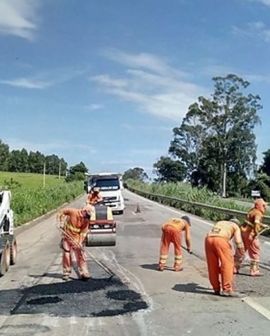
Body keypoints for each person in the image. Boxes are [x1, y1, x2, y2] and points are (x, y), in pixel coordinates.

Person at [205, 218, 245, 297]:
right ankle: (227, 289)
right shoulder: (235, 226)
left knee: (212, 265)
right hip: (221, 240)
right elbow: (238, 242)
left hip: (208, 239)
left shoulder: (220, 222)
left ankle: (216, 289)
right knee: (227, 264)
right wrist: (242, 252)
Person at [57, 204, 94, 281]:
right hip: (67, 236)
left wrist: (80, 242)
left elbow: (83, 232)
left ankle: (84, 272)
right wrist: (60, 222)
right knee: (67, 254)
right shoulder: (73, 212)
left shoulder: (86, 220)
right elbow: (61, 212)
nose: (87, 217)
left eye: (88, 216)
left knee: (81, 254)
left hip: (76, 238)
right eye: (87, 215)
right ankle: (66, 272)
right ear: (84, 211)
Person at [234, 198, 268, 276]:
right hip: (250, 234)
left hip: (243, 233)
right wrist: (256, 233)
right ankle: (254, 270)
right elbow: (256, 222)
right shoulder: (258, 213)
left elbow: (251, 221)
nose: (265, 207)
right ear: (260, 205)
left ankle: (234, 268)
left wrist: (262, 225)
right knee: (255, 251)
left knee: (241, 250)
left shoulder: (251, 211)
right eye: (263, 205)